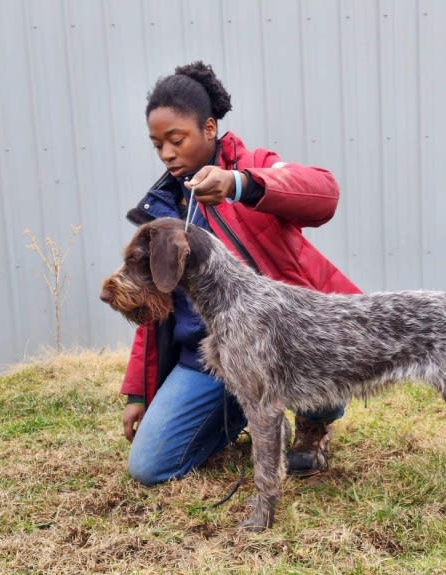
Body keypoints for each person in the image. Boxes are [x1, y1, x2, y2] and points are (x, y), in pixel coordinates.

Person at [119, 61, 360, 486]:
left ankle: (313, 421)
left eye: (177, 140)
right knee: (148, 467)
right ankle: (246, 416)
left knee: (322, 348)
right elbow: (155, 302)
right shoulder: (162, 210)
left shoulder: (254, 165)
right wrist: (138, 391)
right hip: (207, 356)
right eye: (157, 145)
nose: (167, 154)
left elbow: (324, 193)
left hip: (287, 339)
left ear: (209, 128)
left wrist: (240, 184)